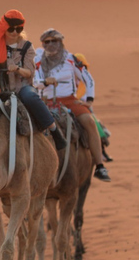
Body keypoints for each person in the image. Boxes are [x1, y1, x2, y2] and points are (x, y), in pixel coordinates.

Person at [0, 10, 67, 165]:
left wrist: (17, 69)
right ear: (4, 28)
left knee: (31, 97)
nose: (14, 32)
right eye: (11, 29)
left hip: (21, 88)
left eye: (18, 29)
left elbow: (30, 72)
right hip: (0, 91)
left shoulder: (26, 47)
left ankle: (55, 132)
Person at [34, 28, 111, 182]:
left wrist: (89, 100)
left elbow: (88, 79)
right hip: (46, 102)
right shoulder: (37, 61)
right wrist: (45, 82)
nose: (50, 45)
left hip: (69, 100)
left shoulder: (71, 59)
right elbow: (35, 82)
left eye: (54, 41)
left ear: (60, 42)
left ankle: (100, 165)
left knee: (89, 122)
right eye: (46, 42)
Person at [73, 53, 113, 162]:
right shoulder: (66, 77)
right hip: (67, 104)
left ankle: (101, 151)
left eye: (83, 66)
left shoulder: (85, 81)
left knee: (94, 123)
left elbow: (86, 97)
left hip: (82, 106)